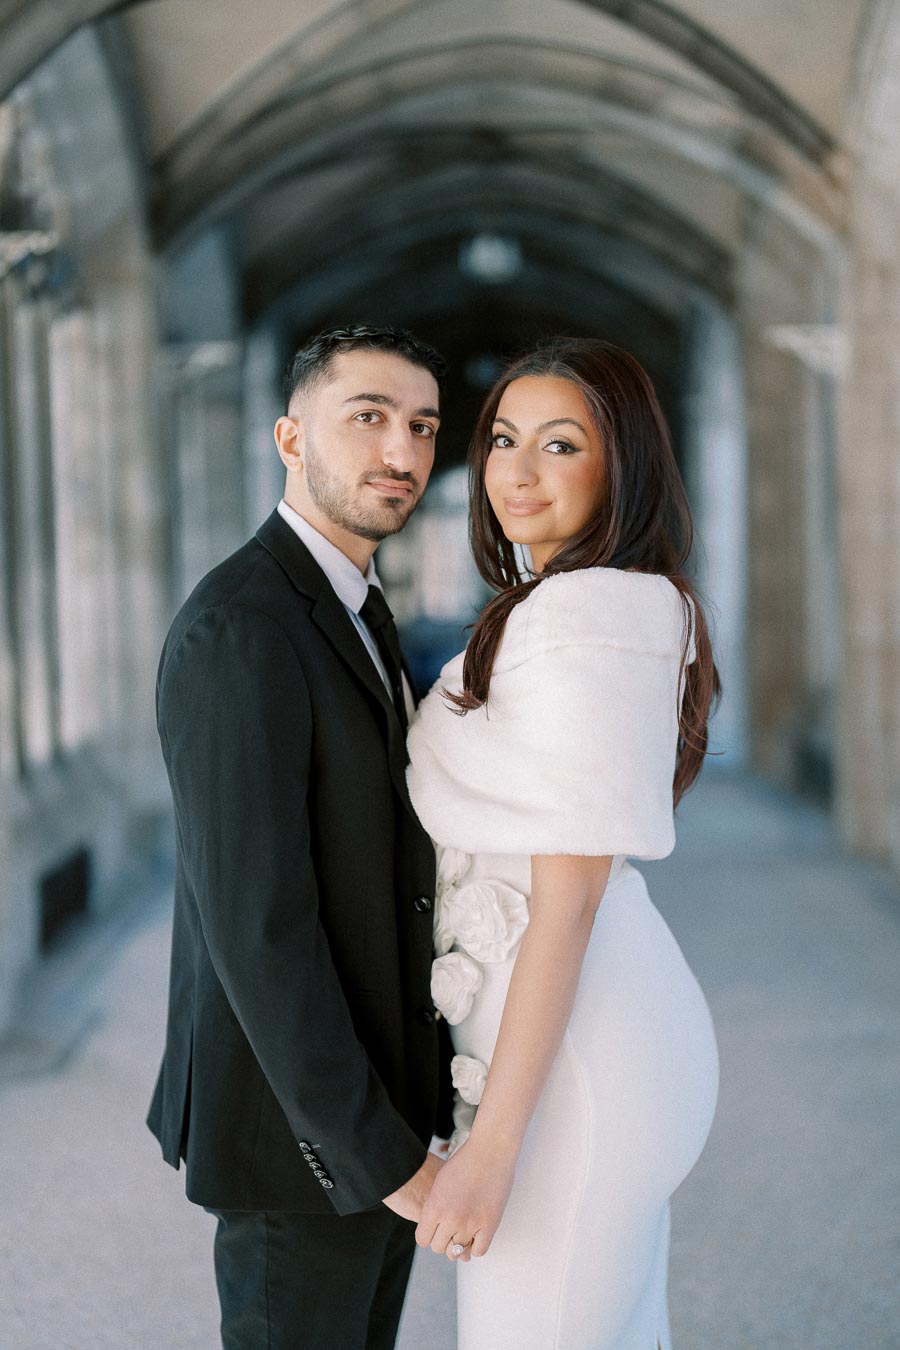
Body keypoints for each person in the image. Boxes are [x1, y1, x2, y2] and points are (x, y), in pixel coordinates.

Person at [406, 338, 722, 1350]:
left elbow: (569, 898)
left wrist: (493, 1147)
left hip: (577, 1060)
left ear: (619, 466)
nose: (517, 471)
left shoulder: (590, 617)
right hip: (580, 1041)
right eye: (503, 439)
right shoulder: (558, 607)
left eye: (561, 444)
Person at [146, 324, 455, 1349]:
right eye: (366, 419)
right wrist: (377, 1152)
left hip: (379, 1106)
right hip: (305, 1135)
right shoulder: (242, 625)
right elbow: (258, 930)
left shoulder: (356, 605)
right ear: (290, 437)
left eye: (421, 426)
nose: (400, 454)